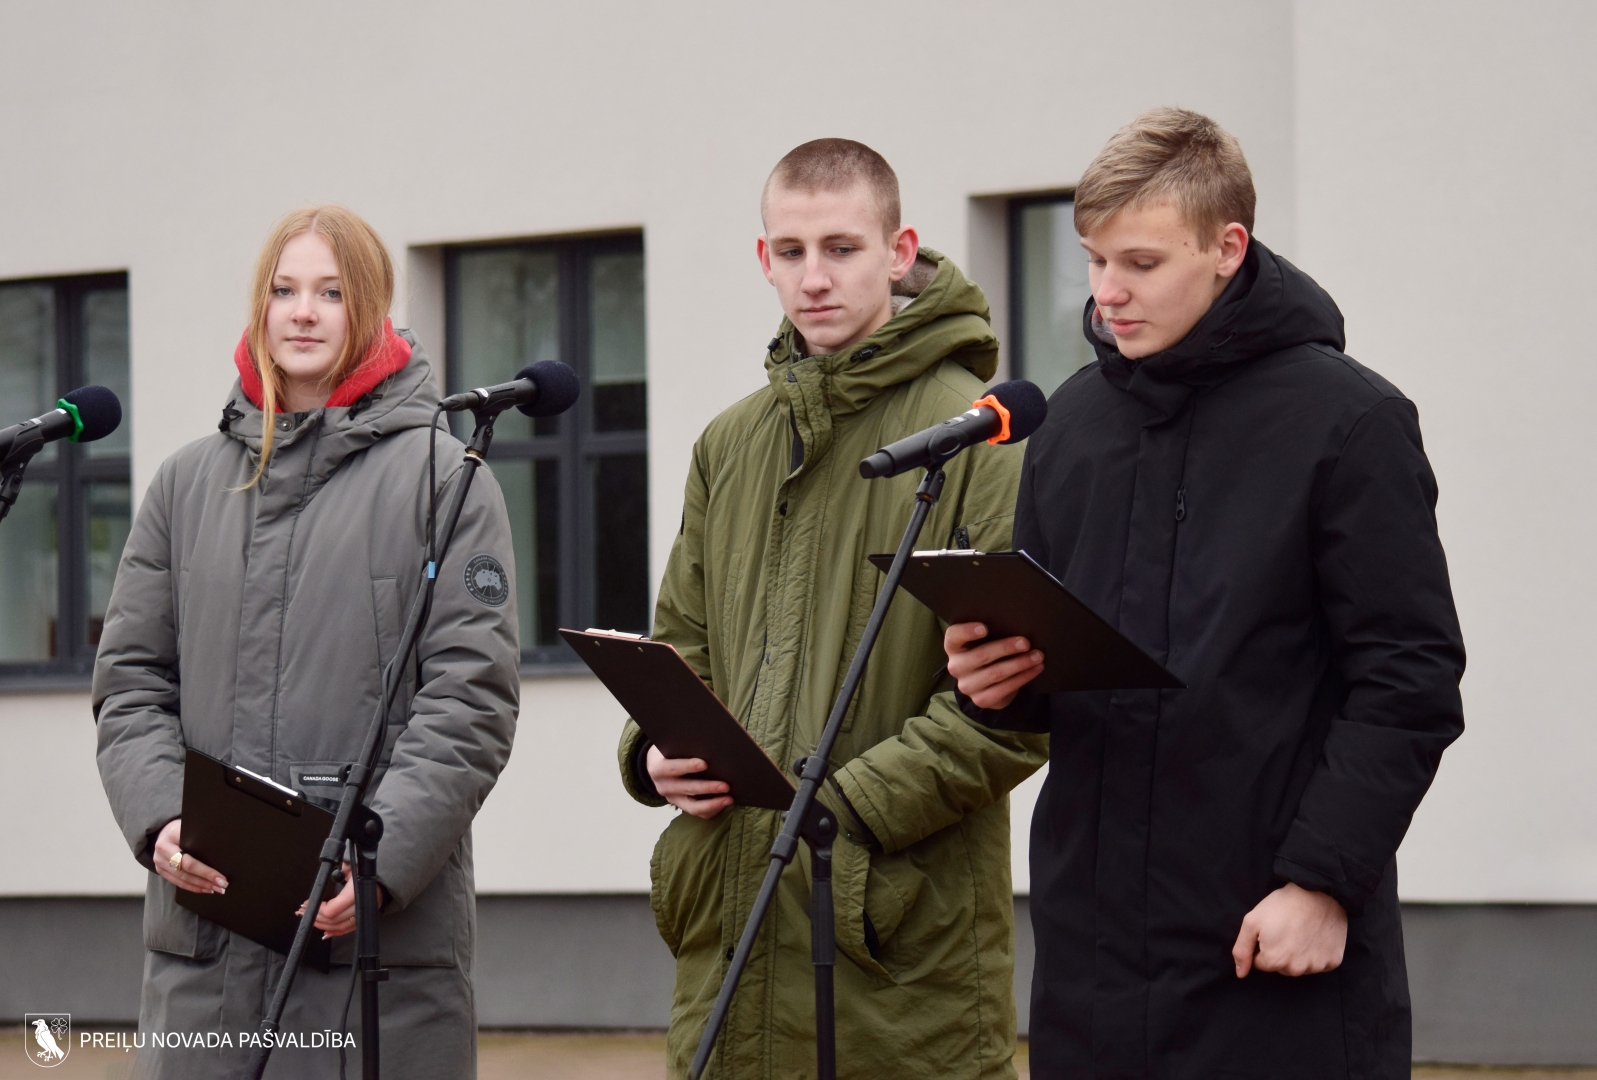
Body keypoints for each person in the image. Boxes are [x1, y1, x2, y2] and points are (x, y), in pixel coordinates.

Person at [944, 108, 1466, 1079]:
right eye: (1094, 261)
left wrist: (1321, 882)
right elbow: (1083, 674)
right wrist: (1002, 679)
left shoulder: (1350, 423)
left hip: (1269, 936)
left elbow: (1409, 679)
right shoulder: (1071, 430)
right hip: (1091, 957)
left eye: (1140, 264)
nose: (1106, 294)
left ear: (1227, 247)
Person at [616, 139, 1048, 1079]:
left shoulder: (978, 436)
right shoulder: (727, 445)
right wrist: (655, 754)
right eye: (792, 250)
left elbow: (1012, 708)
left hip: (893, 951)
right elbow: (677, 646)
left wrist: (840, 808)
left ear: (900, 252)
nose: (815, 277)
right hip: (727, 936)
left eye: (842, 248)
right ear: (762, 259)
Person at [93, 205, 520, 1079]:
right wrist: (158, 815)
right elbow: (132, 680)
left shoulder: (447, 481)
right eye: (283, 291)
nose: (302, 312)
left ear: (368, 309)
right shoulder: (184, 486)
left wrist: (379, 862)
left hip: (373, 959)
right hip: (207, 954)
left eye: (329, 292)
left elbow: (469, 699)